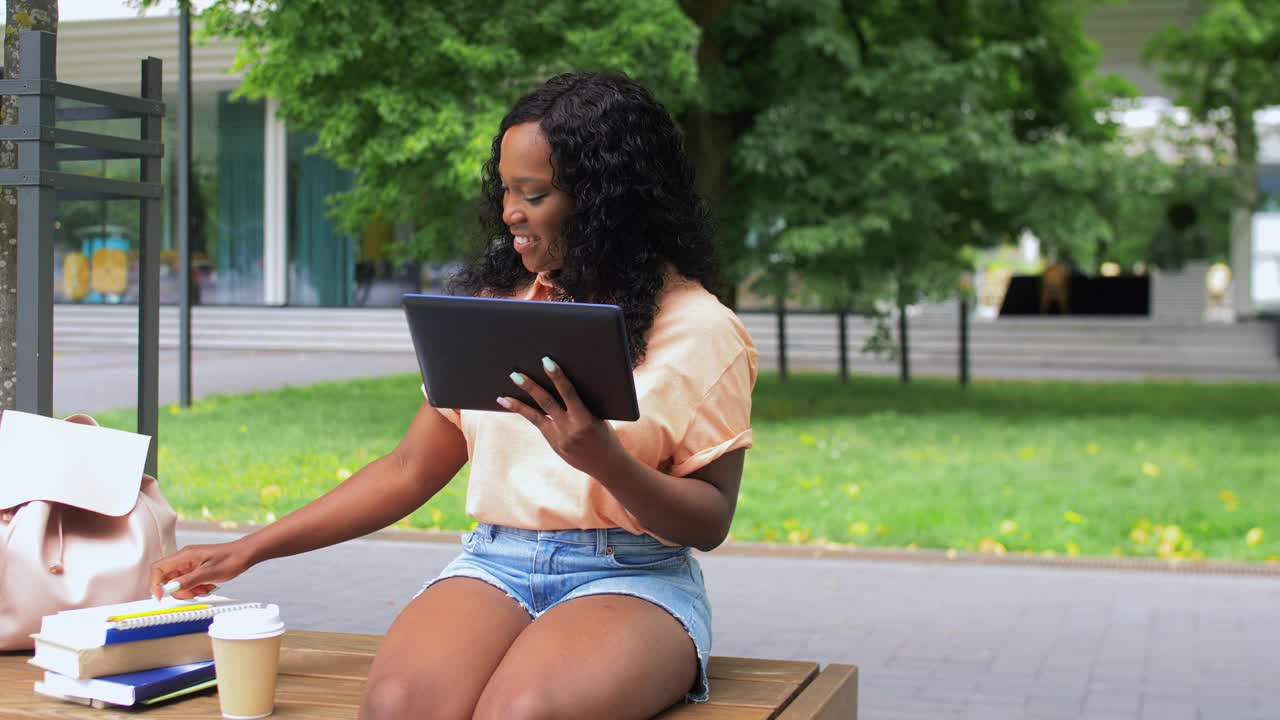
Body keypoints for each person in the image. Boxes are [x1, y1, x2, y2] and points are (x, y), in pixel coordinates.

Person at [150, 72, 758, 720]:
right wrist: (249, 548)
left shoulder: (701, 330)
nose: (509, 214)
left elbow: (709, 519)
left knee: (521, 714)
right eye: (505, 190)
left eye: (535, 194)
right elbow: (409, 468)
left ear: (608, 199)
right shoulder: (496, 310)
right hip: (497, 561)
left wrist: (604, 459)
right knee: (395, 708)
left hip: (634, 575)